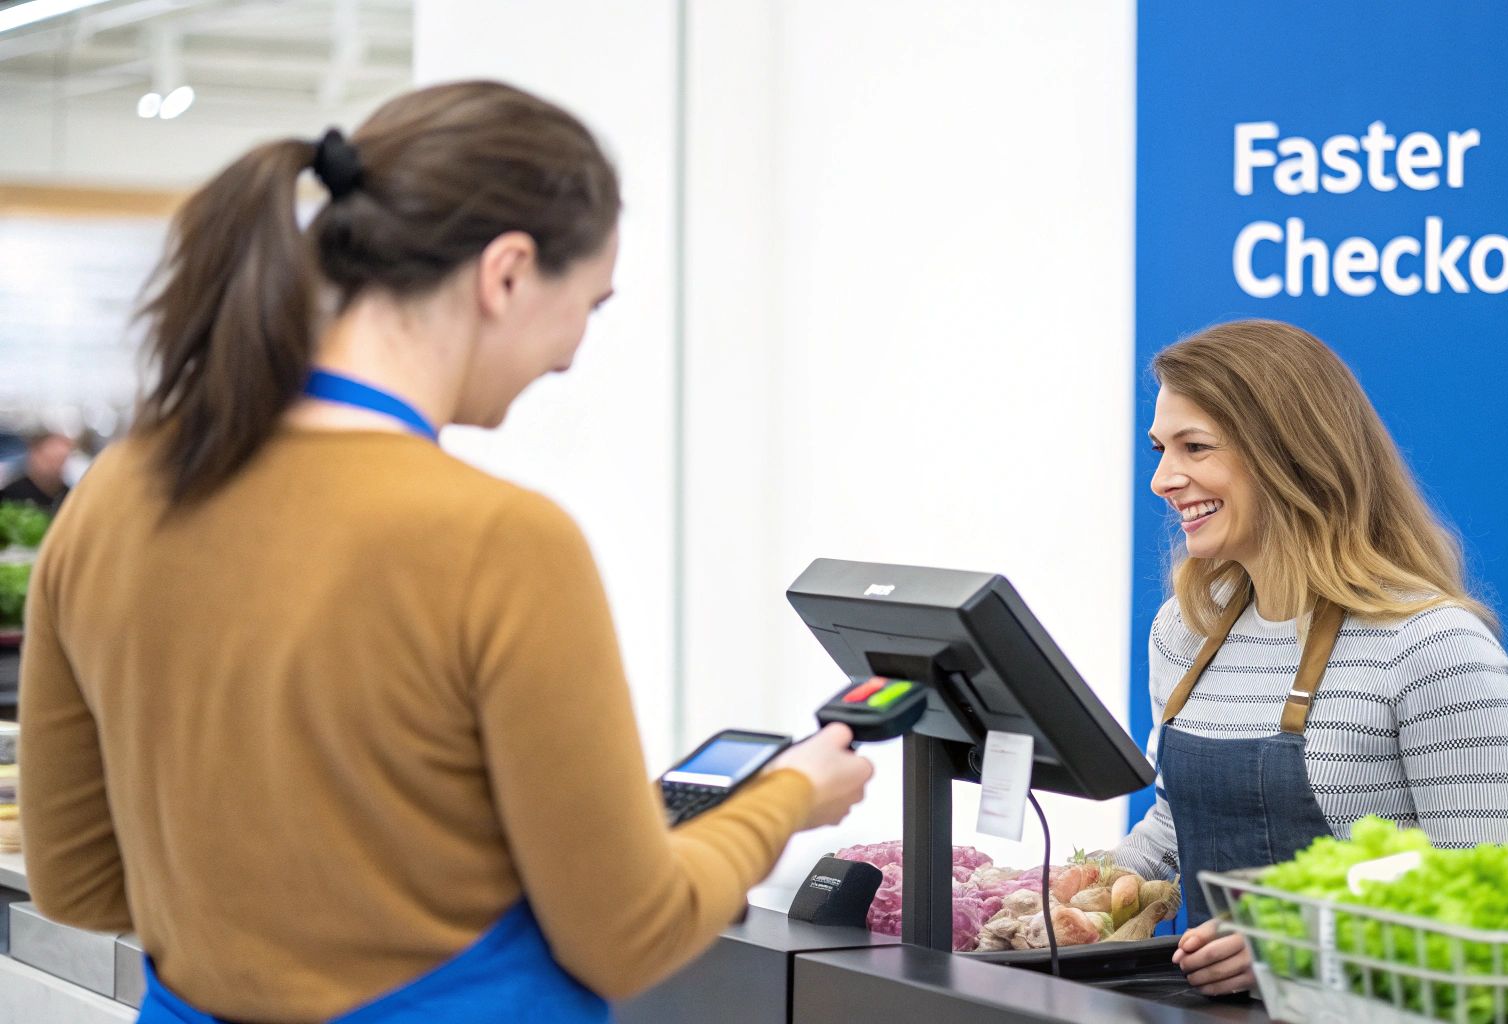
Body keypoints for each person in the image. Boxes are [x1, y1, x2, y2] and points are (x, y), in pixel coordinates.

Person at [19, 80, 872, 1024]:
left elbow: (79, 884)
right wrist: (790, 794)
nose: (573, 355)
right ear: (506, 272)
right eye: (588, 304)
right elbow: (630, 936)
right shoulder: (499, 539)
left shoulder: (115, 495)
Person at [1113, 319, 1508, 998]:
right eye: (1161, 448)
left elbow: (1486, 897)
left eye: (1195, 447)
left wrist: (1299, 944)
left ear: (1289, 454)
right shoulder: (1185, 632)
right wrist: (1092, 886)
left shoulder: (1434, 648)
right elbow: (1176, 822)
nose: (1163, 479)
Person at [0, 431, 74, 512]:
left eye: (61, 460)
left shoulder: (70, 497)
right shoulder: (12, 492)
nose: (54, 466)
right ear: (34, 454)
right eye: (50, 459)